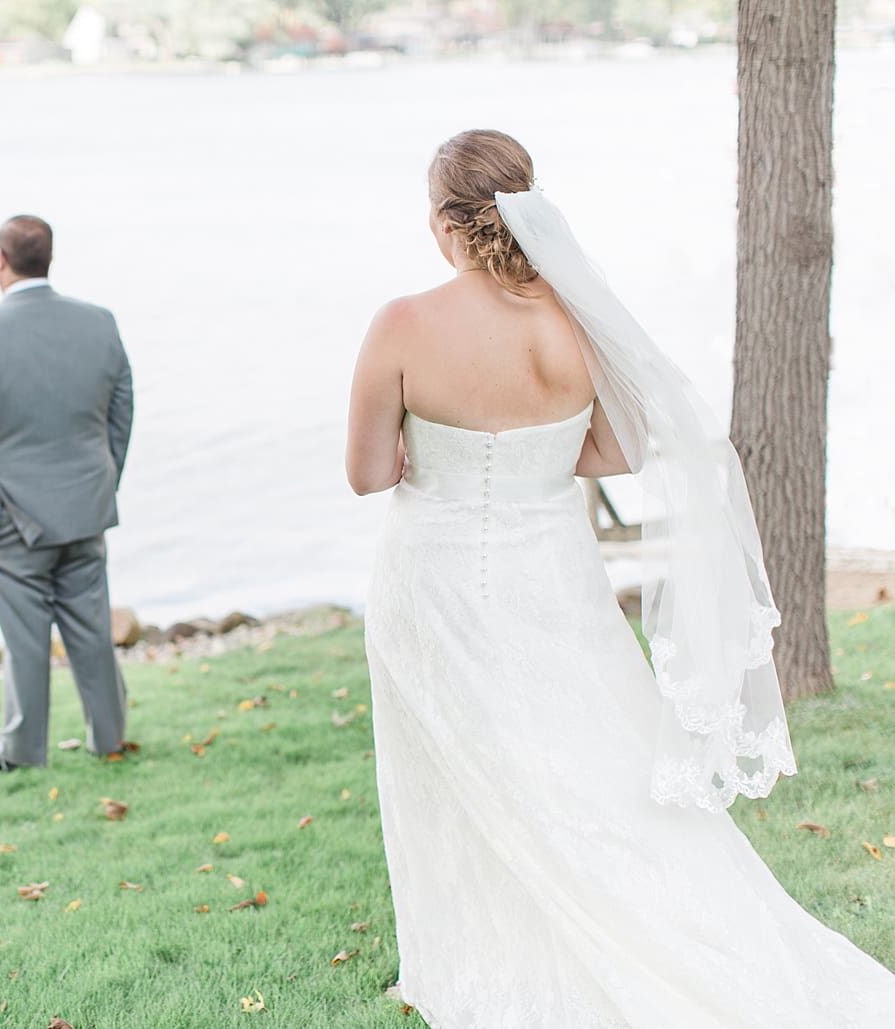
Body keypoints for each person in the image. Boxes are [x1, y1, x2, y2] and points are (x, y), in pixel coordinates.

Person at [347, 129, 895, 1026]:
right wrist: (537, 448)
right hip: (553, 580)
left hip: (433, 581)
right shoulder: (575, 318)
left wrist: (429, 446)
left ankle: (477, 963)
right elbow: (614, 447)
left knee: (453, 764)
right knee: (593, 758)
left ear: (446, 223)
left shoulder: (401, 325)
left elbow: (367, 473)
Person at [0, 214, 133, 775]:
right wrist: (103, 480)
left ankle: (21, 755)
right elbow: (121, 412)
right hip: (85, 507)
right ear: (48, 258)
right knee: (90, 627)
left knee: (25, 638)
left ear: (0, 261)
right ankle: (110, 737)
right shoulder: (100, 324)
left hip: (8, 520)